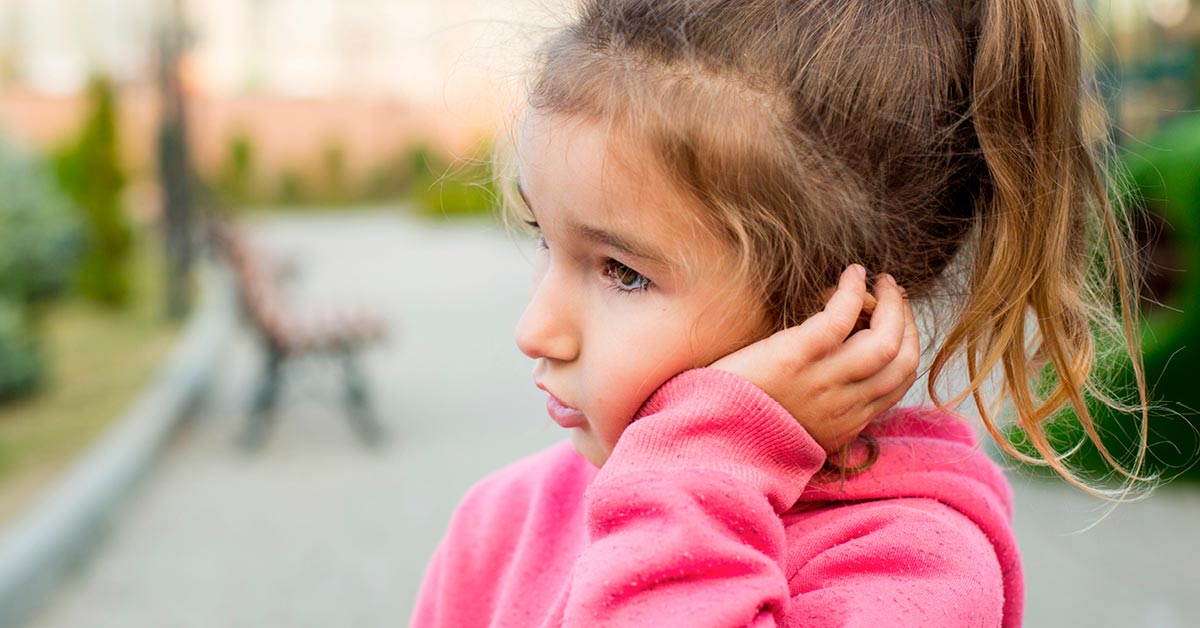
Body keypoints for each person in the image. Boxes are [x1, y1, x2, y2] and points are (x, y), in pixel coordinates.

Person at [412, 0, 1150, 626]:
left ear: (833, 315)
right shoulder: (504, 522)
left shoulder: (913, 569)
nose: (534, 330)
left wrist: (709, 456)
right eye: (544, 237)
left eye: (623, 273)